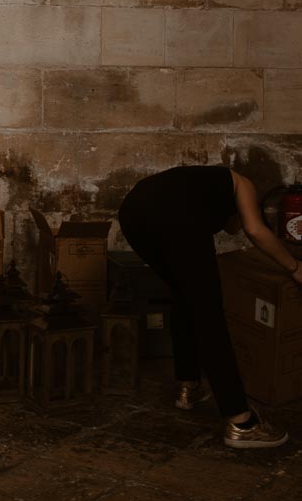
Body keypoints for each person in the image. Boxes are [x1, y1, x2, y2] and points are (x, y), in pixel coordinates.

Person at [118, 165, 301, 449]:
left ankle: (187, 386)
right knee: (209, 314)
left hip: (133, 214)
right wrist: (295, 267)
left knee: (185, 295)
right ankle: (242, 422)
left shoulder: (206, 183)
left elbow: (230, 226)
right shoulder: (244, 183)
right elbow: (254, 230)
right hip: (175, 218)